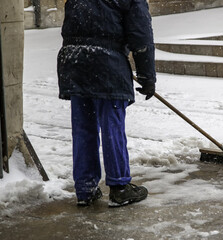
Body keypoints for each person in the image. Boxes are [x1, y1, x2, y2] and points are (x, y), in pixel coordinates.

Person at [57, 0, 156, 207]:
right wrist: (147, 77)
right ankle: (120, 187)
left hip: (74, 61)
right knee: (112, 127)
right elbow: (141, 35)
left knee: (83, 129)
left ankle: (85, 188)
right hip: (106, 65)